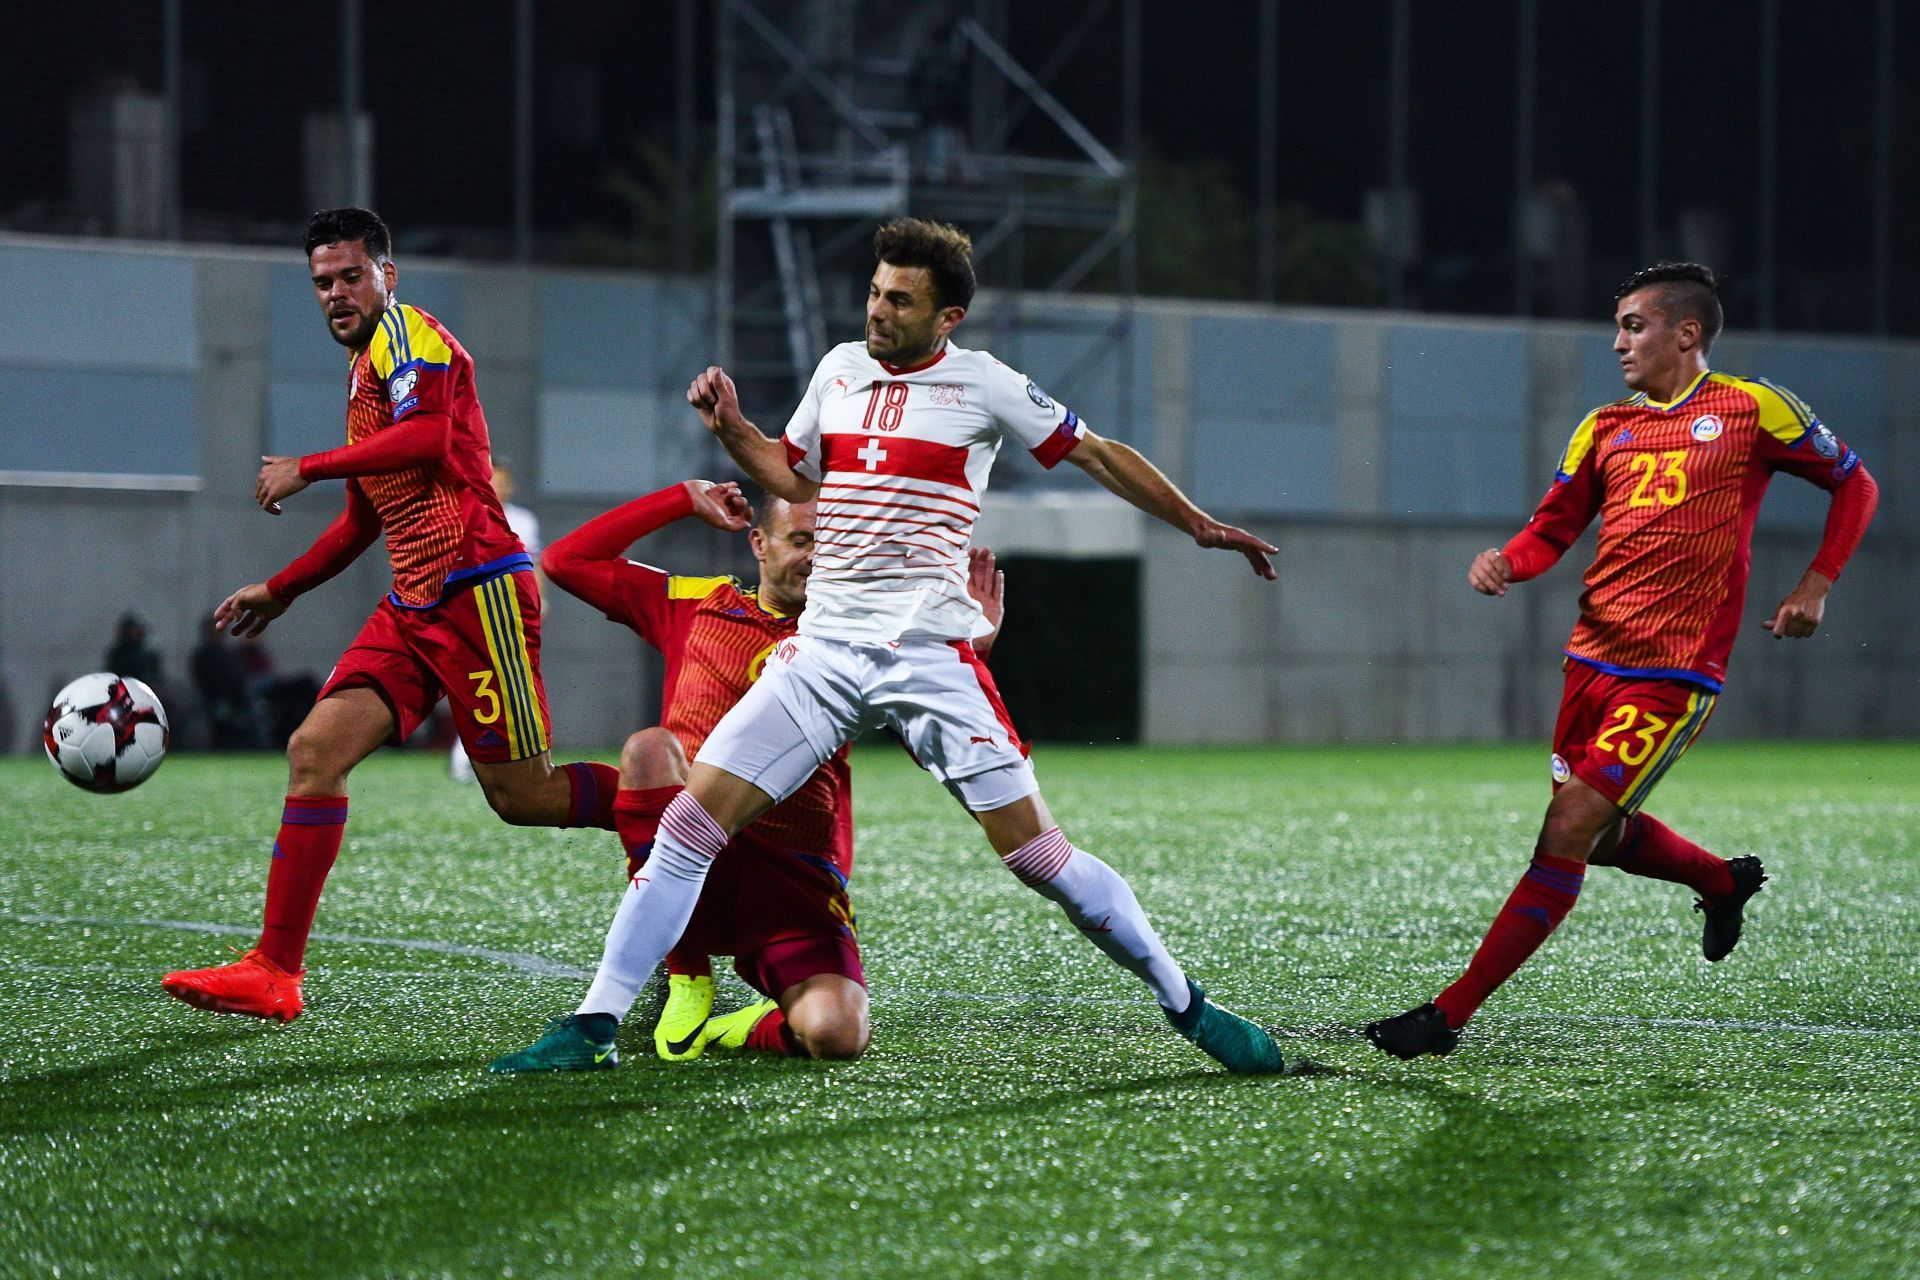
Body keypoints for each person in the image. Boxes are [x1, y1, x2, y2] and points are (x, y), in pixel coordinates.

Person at [494, 217, 1288, 1075]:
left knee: (1039, 857)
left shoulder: (984, 386)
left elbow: (1095, 453)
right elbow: (797, 477)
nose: (878, 311)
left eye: (900, 300)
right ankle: (595, 1025)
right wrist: (731, 429)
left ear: (946, 317)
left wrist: (1199, 525)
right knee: (690, 824)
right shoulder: (838, 369)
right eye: (875, 292)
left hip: (926, 655)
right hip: (827, 647)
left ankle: (1189, 1006)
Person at [1366, 262, 1881, 1060]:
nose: (1618, 343)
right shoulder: (1604, 425)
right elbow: (1552, 529)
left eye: (1633, 326)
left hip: (1674, 673)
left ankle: (1448, 1015)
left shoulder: (1751, 408)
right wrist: (1507, 560)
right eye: (1617, 326)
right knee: (1598, 840)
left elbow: (1856, 485)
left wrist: (1816, 584)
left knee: (1567, 828)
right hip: (1589, 664)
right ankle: (1719, 880)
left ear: (1687, 332)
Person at [161, 208, 622, 1023]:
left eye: (350, 276)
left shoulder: (412, 337)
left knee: (523, 797)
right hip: (413, 603)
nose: (336, 294)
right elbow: (365, 518)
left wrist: (310, 464)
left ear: (387, 275)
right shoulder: (364, 366)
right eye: (322, 283)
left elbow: (428, 437)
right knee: (313, 749)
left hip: (478, 593)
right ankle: (274, 969)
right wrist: (283, 587)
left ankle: (687, 814)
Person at [490, 478, 1005, 1070]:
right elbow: (566, 561)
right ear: (759, 543)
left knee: (838, 1035)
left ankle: (732, 1029)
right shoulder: (696, 602)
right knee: (649, 751)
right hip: (689, 850)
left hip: (793, 871)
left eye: (835, 543)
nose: (817, 556)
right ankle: (686, 974)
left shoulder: (868, 644)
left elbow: (948, 752)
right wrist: (681, 498)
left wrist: (970, 656)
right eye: (801, 539)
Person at [451, 459, 542, 782]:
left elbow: (534, 563)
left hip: (512, 607)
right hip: (474, 606)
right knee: (474, 679)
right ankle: (466, 754)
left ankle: (510, 754)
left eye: (502, 482)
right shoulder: (466, 511)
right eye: (492, 481)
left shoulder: (523, 520)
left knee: (513, 679)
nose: (498, 487)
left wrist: (539, 600)